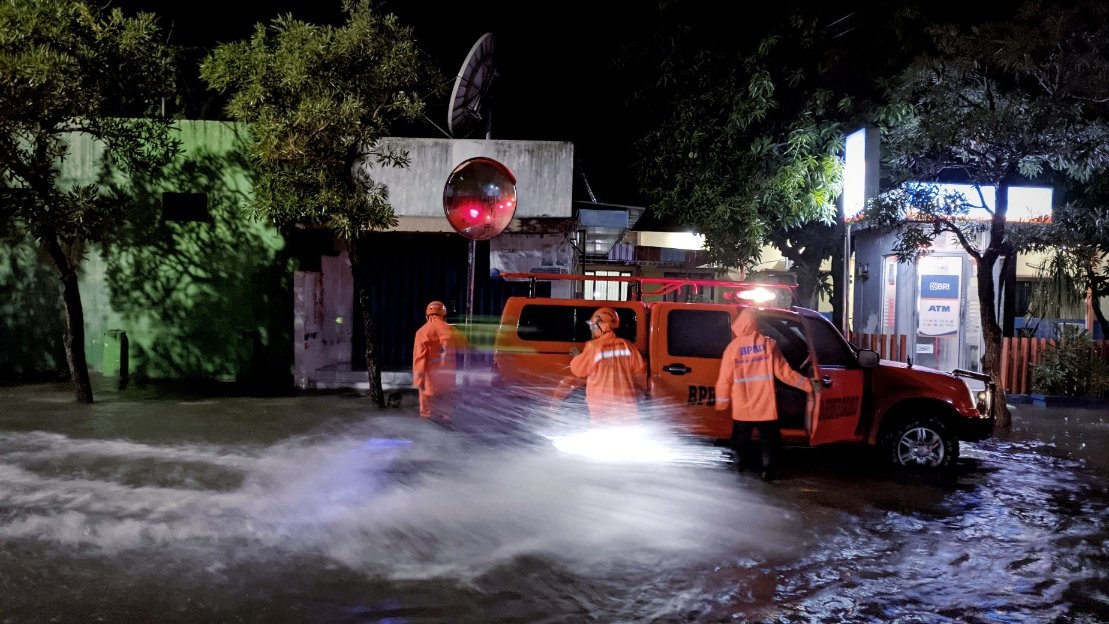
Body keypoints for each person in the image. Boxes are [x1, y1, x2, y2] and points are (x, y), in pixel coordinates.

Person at [714, 307, 816, 480]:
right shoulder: (768, 345)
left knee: (740, 443)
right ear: (754, 323)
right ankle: (767, 471)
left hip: (743, 409)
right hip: (765, 408)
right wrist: (808, 385)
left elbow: (724, 379)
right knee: (770, 442)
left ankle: (739, 472)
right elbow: (785, 374)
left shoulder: (733, 348)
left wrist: (722, 403)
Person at [569, 307, 647, 424]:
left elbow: (579, 370)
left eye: (593, 325)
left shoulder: (594, 347)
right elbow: (639, 369)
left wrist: (578, 357)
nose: (591, 329)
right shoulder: (627, 345)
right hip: (625, 405)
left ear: (601, 325)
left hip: (601, 406)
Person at [412, 300, 466, 424]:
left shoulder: (421, 332)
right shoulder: (451, 330)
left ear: (427, 316)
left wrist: (418, 381)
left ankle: (429, 436)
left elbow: (419, 358)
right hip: (447, 379)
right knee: (446, 414)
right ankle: (447, 431)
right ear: (444, 316)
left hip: (429, 381)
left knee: (427, 414)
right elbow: (464, 347)